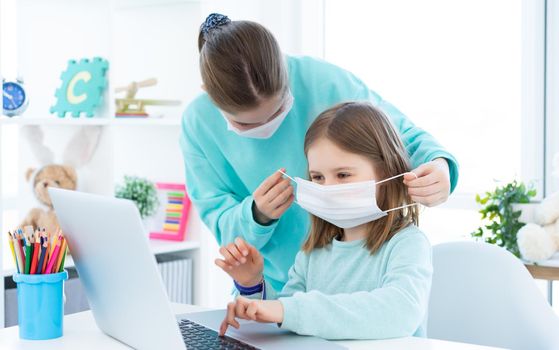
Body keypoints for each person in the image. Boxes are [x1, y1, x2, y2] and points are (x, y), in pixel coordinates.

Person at [180, 13, 456, 291]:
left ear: (285, 69)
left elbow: (400, 136)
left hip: (362, 277)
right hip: (280, 288)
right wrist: (257, 214)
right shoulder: (198, 124)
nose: (267, 127)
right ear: (209, 95)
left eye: (277, 111)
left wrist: (440, 167)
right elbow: (223, 228)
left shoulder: (323, 81)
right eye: (246, 123)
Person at [216, 102, 432, 340]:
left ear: (386, 171)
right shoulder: (313, 253)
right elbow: (288, 319)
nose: (328, 189)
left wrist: (285, 310)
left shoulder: (408, 244)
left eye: (343, 175)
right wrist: (251, 286)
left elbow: (399, 313)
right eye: (318, 177)